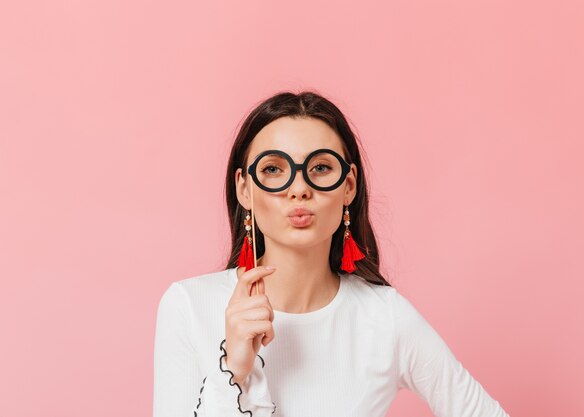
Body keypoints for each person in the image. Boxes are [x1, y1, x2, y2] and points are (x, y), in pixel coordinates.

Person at [153, 91, 510, 417]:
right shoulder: (188, 305)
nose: (298, 188)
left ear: (348, 186)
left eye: (320, 168)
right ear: (244, 188)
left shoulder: (385, 318)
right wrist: (233, 370)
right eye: (273, 169)